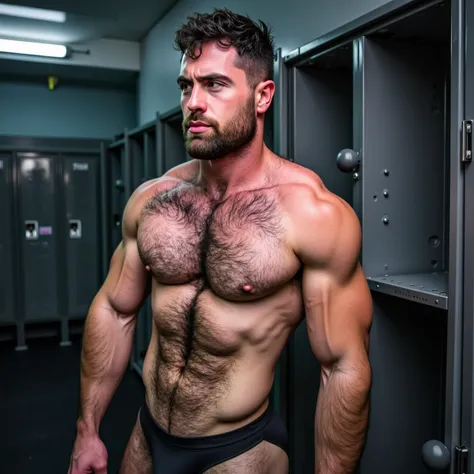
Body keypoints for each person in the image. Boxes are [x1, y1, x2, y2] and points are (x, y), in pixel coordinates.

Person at [68, 8, 373, 474]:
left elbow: (343, 367)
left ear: (262, 95)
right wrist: (87, 430)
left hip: (239, 450)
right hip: (147, 436)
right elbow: (115, 309)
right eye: (186, 86)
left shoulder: (311, 214)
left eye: (214, 85)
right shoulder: (154, 199)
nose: (194, 102)